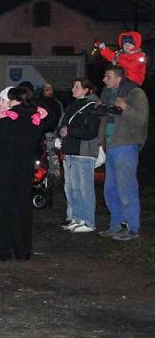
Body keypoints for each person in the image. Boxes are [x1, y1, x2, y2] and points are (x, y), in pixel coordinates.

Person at [0, 87, 47, 261]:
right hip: (24, 169)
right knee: (21, 208)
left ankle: (2, 249)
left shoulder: (8, 119)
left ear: (15, 101)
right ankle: (22, 249)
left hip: (3, 168)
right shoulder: (35, 121)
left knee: (1, 207)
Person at [96, 65, 149, 241]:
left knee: (126, 188)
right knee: (110, 189)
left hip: (126, 145)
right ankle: (115, 226)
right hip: (111, 146)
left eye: (108, 76)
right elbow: (107, 118)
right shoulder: (108, 94)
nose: (104, 80)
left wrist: (125, 108)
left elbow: (141, 119)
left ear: (119, 78)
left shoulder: (135, 94)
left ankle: (132, 228)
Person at [59, 78, 101, 234]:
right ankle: (77, 218)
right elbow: (63, 125)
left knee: (85, 189)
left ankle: (88, 221)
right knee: (74, 189)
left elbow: (90, 132)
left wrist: (70, 131)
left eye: (76, 87)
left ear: (87, 90)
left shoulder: (92, 108)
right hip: (71, 151)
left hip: (84, 153)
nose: (72, 89)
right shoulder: (73, 106)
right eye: (73, 86)